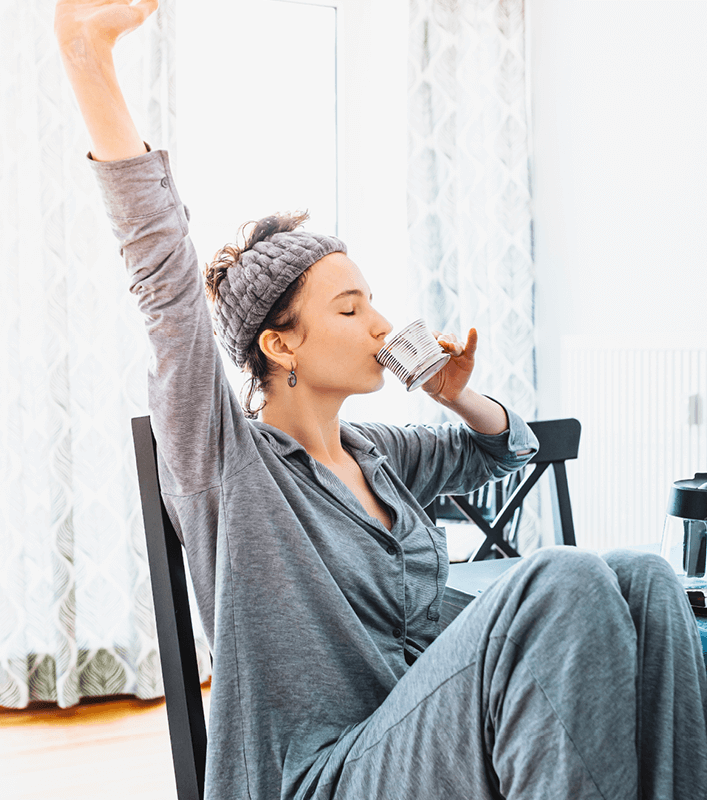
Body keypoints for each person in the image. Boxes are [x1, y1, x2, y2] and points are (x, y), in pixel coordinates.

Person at [54, 2, 707, 798]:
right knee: (564, 582)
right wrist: (87, 51)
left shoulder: (380, 456)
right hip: (320, 775)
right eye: (350, 307)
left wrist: (459, 398)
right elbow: (163, 280)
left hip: (421, 738)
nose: (381, 323)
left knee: (645, 577)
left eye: (373, 301)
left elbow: (513, 449)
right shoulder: (227, 463)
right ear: (280, 344)